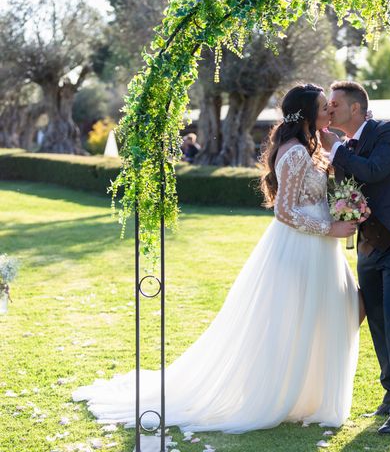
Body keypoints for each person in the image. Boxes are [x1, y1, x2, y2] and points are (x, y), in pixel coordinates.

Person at [73, 84, 361, 433]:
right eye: (321, 106)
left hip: (317, 246)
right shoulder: (297, 153)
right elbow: (284, 211)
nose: (327, 111)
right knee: (297, 319)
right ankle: (284, 395)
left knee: (325, 314)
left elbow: (308, 197)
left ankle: (306, 395)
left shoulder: (309, 148)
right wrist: (328, 228)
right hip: (303, 246)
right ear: (306, 113)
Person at [320, 81, 390, 435]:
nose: (329, 111)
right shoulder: (344, 148)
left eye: (334, 104)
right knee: (379, 325)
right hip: (368, 248)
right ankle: (389, 394)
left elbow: (372, 171)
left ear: (355, 108)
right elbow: (345, 192)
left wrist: (336, 149)